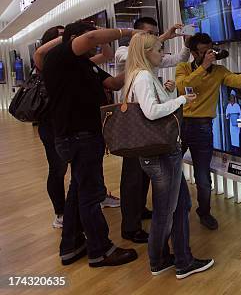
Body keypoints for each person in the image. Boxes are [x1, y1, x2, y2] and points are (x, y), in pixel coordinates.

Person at [38, 22, 139, 267]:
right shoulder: (59, 58)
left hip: (83, 137)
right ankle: (100, 250)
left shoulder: (82, 64)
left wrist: (139, 67)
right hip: (77, 137)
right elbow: (92, 37)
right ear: (75, 39)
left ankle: (71, 246)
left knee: (77, 193)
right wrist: (129, 33)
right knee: (91, 196)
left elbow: (114, 84)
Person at [124, 33, 214, 278]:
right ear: (146, 52)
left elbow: (152, 107)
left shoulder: (142, 76)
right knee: (166, 210)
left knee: (180, 204)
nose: (163, 55)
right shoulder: (143, 76)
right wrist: (182, 99)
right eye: (159, 50)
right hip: (161, 153)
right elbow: (152, 113)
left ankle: (174, 258)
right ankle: (169, 261)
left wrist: (168, 94)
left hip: (162, 152)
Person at [114, 16, 191, 244]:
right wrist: (181, 100)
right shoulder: (126, 55)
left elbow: (178, 58)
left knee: (143, 180)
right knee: (133, 182)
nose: (158, 41)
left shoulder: (146, 68)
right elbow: (151, 111)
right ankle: (131, 227)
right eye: (151, 35)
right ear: (139, 38)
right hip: (138, 132)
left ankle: (139, 216)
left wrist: (186, 43)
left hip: (144, 133)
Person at [176, 33, 241, 230]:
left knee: (203, 177)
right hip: (181, 124)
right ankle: (176, 206)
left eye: (210, 50)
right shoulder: (183, 68)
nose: (209, 54)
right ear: (193, 53)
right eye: (203, 52)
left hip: (203, 127)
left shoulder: (219, 71)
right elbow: (183, 86)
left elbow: (236, 81)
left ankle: (204, 212)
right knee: (172, 168)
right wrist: (203, 67)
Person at [34, 25, 115, 229]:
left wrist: (96, 34)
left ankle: (74, 227)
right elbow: (40, 52)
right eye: (60, 37)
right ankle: (61, 213)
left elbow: (107, 55)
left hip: (81, 128)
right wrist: (69, 39)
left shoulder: (80, 62)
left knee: (80, 179)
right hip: (55, 125)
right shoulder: (50, 61)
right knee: (59, 170)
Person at [225, 90, 241, 155]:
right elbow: (226, 115)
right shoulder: (228, 106)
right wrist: (228, 115)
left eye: (232, 97)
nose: (231, 98)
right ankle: (234, 149)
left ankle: (238, 149)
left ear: (234, 98)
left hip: (236, 123)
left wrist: (238, 116)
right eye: (230, 97)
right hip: (231, 124)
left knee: (237, 136)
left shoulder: (237, 105)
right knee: (232, 136)